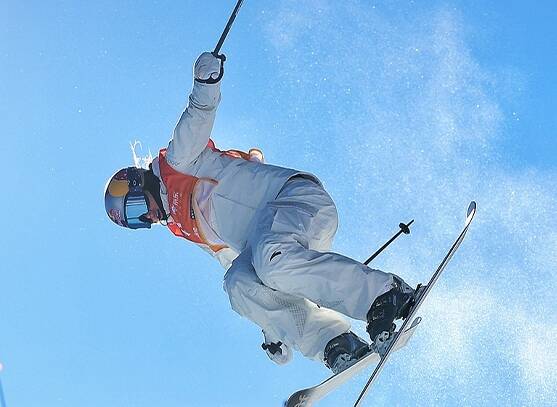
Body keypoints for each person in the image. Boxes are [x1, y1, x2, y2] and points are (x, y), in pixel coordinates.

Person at [104, 52, 417, 374]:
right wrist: (274, 331)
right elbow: (248, 276)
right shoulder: (189, 229)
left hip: (296, 201)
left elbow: (199, 114)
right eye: (137, 222)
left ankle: (386, 293)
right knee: (237, 281)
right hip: (281, 249)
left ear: (140, 183)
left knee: (270, 259)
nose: (148, 218)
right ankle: (335, 342)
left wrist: (205, 82)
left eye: (138, 208)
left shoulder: (177, 164)